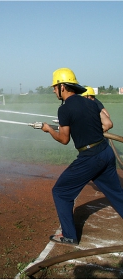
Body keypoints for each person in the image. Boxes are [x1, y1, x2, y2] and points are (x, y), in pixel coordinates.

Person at [41, 67, 123, 245]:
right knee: (117, 194)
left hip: (90, 157)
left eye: (55, 86)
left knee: (61, 192)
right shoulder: (91, 103)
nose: (54, 90)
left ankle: (69, 235)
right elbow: (105, 123)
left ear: (62, 86)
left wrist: (49, 130)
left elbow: (64, 139)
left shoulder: (64, 109)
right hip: (105, 152)